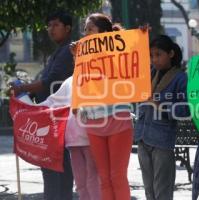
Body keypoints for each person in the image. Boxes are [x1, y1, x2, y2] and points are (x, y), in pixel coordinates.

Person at [11, 11, 74, 200]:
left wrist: (23, 87)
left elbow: (50, 81)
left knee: (54, 164)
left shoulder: (66, 52)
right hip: (52, 114)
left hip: (57, 116)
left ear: (67, 28)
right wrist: (25, 92)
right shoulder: (58, 51)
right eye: (49, 26)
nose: (50, 29)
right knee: (57, 164)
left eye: (55, 25)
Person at [73, 13, 133, 200]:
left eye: (90, 29)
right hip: (94, 124)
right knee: (104, 178)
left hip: (118, 121)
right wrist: (77, 59)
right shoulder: (83, 56)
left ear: (104, 32)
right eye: (85, 30)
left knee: (117, 177)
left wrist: (140, 37)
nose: (86, 34)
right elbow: (81, 84)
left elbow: (131, 64)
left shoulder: (119, 53)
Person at [134, 35, 189, 200]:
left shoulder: (181, 78)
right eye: (151, 55)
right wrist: (140, 36)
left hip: (162, 141)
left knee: (162, 191)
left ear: (171, 54)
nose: (154, 59)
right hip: (142, 137)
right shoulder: (148, 74)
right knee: (149, 191)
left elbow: (186, 109)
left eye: (158, 54)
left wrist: (161, 106)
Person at [37, 76, 101, 200]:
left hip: (92, 138)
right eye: (74, 56)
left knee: (94, 181)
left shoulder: (97, 78)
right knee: (80, 184)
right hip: (73, 142)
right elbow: (52, 102)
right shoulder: (69, 81)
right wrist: (29, 109)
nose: (76, 59)